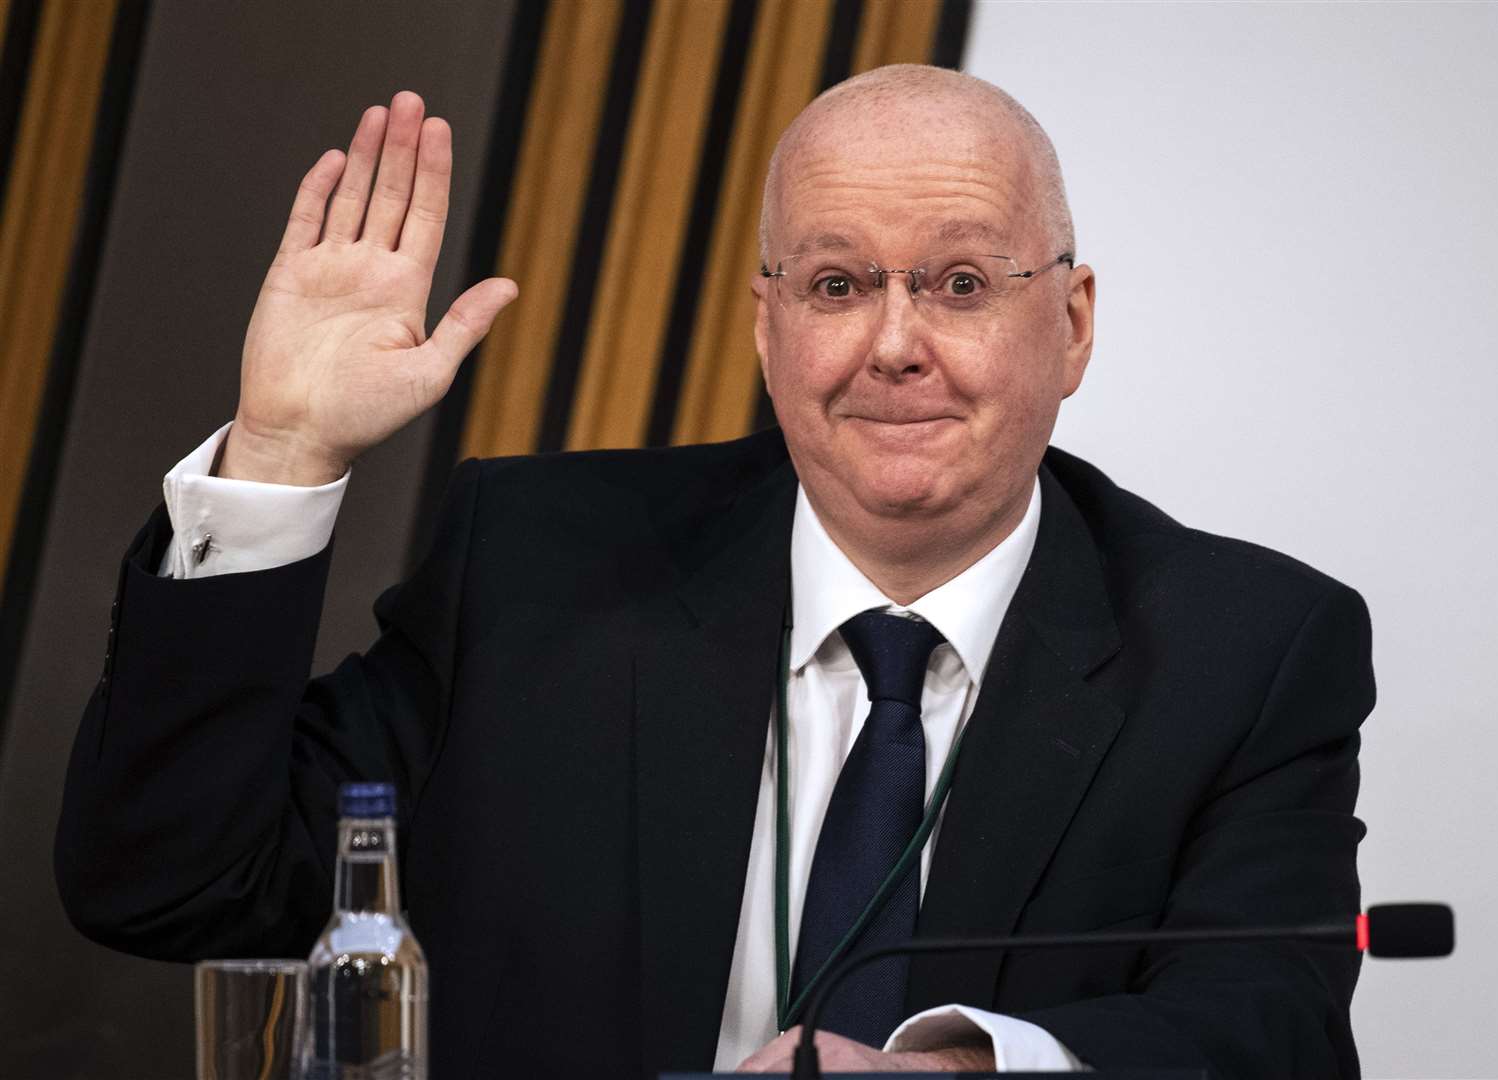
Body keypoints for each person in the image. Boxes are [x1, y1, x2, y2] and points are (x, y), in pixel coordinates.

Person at [55, 65, 1373, 1077]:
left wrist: (977, 1067)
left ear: (1070, 325)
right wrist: (283, 449)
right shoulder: (540, 568)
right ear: (768, 323)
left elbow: (1271, 1029)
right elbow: (174, 883)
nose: (896, 345)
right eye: (839, 282)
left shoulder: (1245, 650)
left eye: (963, 282)